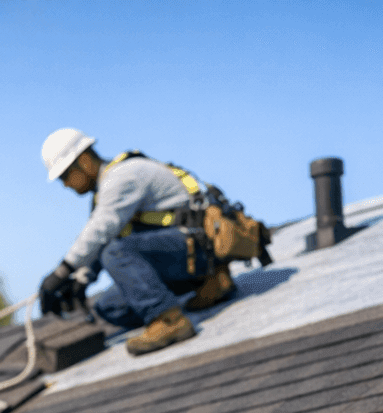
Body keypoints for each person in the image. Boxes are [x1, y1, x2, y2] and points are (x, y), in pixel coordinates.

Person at [36, 128, 239, 357]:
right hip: (182, 254)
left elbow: (101, 230)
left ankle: (169, 320)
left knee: (116, 252)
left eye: (65, 176)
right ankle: (211, 284)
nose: (65, 185)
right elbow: (108, 234)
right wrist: (81, 280)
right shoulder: (107, 189)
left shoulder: (122, 177)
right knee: (110, 307)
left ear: (83, 161)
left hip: (199, 249)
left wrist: (61, 272)